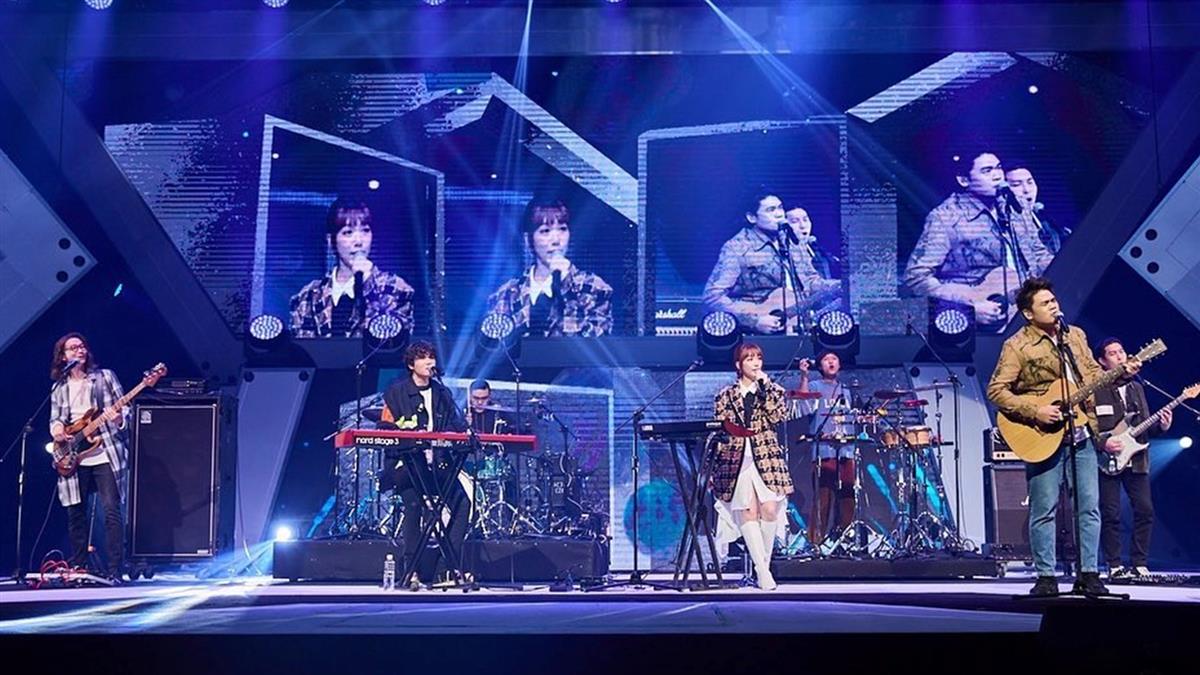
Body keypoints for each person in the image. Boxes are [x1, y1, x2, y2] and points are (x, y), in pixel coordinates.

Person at [986, 277, 1137, 597]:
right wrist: (1036, 410)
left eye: (1054, 300)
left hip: (1082, 432)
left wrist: (1119, 375)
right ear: (1029, 313)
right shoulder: (1017, 345)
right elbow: (996, 390)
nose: (1054, 306)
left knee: (1089, 507)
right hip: (1042, 435)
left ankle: (1089, 573)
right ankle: (1045, 576)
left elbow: (1093, 376)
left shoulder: (1075, 335)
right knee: (1044, 509)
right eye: (1045, 303)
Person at [904, 147, 1054, 330]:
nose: (997, 176)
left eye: (998, 168)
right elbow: (916, 277)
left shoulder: (1016, 208)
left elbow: (1039, 255)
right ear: (964, 180)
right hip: (985, 325)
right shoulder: (946, 217)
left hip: (1029, 313)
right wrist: (967, 307)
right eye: (987, 171)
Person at [381, 341, 470, 587]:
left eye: (432, 357)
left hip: (438, 464)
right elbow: (385, 428)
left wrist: (459, 433)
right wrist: (411, 435)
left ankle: (445, 568)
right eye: (423, 357)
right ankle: (411, 570)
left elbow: (456, 425)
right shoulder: (396, 393)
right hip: (408, 464)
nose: (430, 362)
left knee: (463, 503)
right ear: (411, 364)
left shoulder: (442, 393)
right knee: (413, 505)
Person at [711, 342, 794, 590]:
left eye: (758, 357)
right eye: (749, 358)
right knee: (747, 510)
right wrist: (715, 467)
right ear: (739, 364)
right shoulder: (725, 395)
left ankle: (762, 567)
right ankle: (763, 572)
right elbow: (720, 431)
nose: (756, 362)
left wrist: (765, 387)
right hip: (736, 457)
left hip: (766, 455)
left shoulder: (773, 390)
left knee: (769, 509)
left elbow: (777, 416)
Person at [48, 333, 130, 581]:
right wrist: (58, 431)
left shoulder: (105, 377)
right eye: (73, 348)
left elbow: (125, 408)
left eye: (82, 346)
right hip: (74, 453)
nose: (79, 350)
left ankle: (115, 569)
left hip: (105, 452)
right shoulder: (60, 387)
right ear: (63, 356)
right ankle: (79, 566)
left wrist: (118, 417)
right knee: (76, 512)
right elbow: (56, 419)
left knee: (111, 510)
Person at [704, 190, 841, 335]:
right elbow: (713, 297)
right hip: (755, 335)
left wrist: (838, 285)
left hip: (798, 326)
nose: (779, 214)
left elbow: (810, 282)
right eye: (770, 210)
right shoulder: (737, 247)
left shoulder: (793, 241)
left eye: (780, 208)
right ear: (752, 217)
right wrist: (754, 321)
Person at [1094, 337, 1170, 579]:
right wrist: (1103, 443)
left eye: (1121, 351)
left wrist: (1162, 427)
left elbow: (1143, 427)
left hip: (1136, 459)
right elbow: (1087, 427)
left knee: (1145, 510)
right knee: (1111, 513)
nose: (1120, 356)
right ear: (1102, 361)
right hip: (1105, 460)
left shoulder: (1137, 387)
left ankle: (1139, 563)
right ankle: (1114, 565)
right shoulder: (1096, 389)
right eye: (1112, 353)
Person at [289, 198, 414, 338]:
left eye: (365, 231)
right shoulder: (308, 297)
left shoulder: (396, 289)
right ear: (331, 240)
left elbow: (390, 340)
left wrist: (369, 285)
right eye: (348, 232)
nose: (359, 241)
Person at [486, 199, 613, 337]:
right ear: (528, 240)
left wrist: (565, 287)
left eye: (562, 229)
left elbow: (597, 341)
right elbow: (494, 346)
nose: (556, 241)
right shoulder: (505, 295)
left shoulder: (594, 288)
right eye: (545, 231)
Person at [795, 350, 858, 547]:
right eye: (826, 359)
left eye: (834, 359)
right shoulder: (815, 386)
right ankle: (816, 541)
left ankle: (843, 538)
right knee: (824, 495)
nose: (831, 362)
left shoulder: (846, 390)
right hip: (824, 448)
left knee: (848, 494)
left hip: (846, 448)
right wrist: (804, 376)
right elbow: (803, 404)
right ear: (820, 365)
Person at [1004, 163, 1072, 255]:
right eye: (1016, 185)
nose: (1026, 190)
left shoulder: (1047, 222)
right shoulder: (1006, 228)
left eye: (1030, 182)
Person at [785, 206, 836, 280]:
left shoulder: (816, 248)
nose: (803, 226)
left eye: (805, 220)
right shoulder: (788, 254)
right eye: (794, 221)